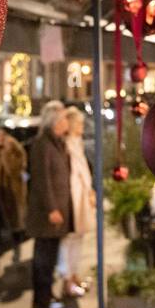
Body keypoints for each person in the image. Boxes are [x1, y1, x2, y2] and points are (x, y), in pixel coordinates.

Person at [25, 101, 72, 308]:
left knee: (50, 255)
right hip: (46, 213)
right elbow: (42, 179)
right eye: (63, 118)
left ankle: (47, 294)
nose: (66, 122)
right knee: (43, 257)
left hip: (58, 208)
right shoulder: (42, 144)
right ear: (54, 121)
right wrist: (52, 208)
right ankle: (42, 298)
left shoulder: (58, 142)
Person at [56, 106, 96, 297]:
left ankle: (74, 274)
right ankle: (67, 278)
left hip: (81, 196)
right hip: (71, 197)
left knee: (78, 237)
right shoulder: (65, 145)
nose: (82, 126)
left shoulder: (77, 143)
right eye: (78, 123)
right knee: (69, 239)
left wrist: (90, 191)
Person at [0, 124, 27, 266]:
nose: (0, 139)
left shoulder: (17, 152)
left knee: (15, 224)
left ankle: (17, 251)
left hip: (11, 195)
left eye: (3, 136)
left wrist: (6, 153)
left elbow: (12, 171)